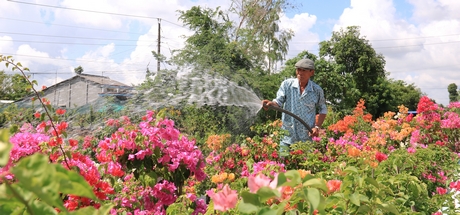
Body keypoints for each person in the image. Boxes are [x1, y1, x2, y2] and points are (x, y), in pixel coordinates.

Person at [262, 58, 327, 150]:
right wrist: (271, 104)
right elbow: (278, 101)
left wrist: (317, 127)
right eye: (298, 70)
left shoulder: (317, 90)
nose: (300, 73)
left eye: (304, 70)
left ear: (311, 72)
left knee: (306, 163)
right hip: (287, 137)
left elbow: (323, 109)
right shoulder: (287, 85)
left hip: (306, 139)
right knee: (283, 160)